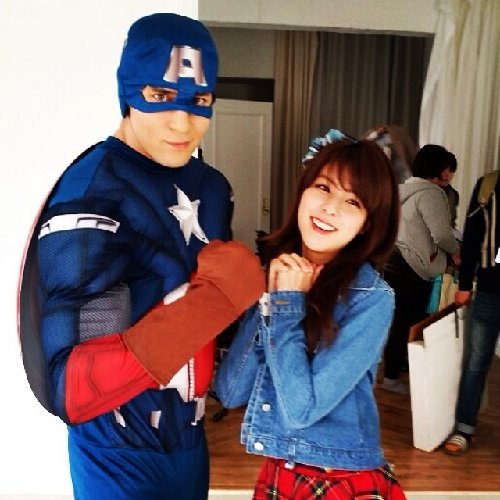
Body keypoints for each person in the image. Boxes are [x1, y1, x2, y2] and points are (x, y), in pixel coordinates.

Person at [17, 13, 265, 500]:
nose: (182, 122)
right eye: (159, 94)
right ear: (128, 90)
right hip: (115, 451)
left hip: (189, 439)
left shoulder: (212, 189)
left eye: (200, 100)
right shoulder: (94, 192)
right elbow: (73, 387)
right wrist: (211, 303)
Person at [214, 129, 407, 499]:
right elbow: (231, 391)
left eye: (353, 201)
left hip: (339, 477)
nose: (330, 208)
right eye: (323, 187)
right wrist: (272, 297)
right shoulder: (278, 274)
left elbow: (302, 409)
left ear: (367, 223)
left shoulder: (372, 299)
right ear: (303, 190)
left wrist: (286, 306)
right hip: (280, 468)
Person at [381, 144, 461, 394]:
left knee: (399, 319)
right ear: (439, 169)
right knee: (409, 321)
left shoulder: (400, 190)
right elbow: (442, 234)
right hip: (414, 265)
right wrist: (456, 253)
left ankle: (397, 366)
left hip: (394, 260)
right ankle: (392, 377)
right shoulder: (431, 194)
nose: (451, 175)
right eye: (450, 169)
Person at [444, 171, 500, 456]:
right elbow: (473, 236)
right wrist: (464, 285)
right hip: (490, 290)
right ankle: (464, 428)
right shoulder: (489, 186)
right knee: (476, 363)